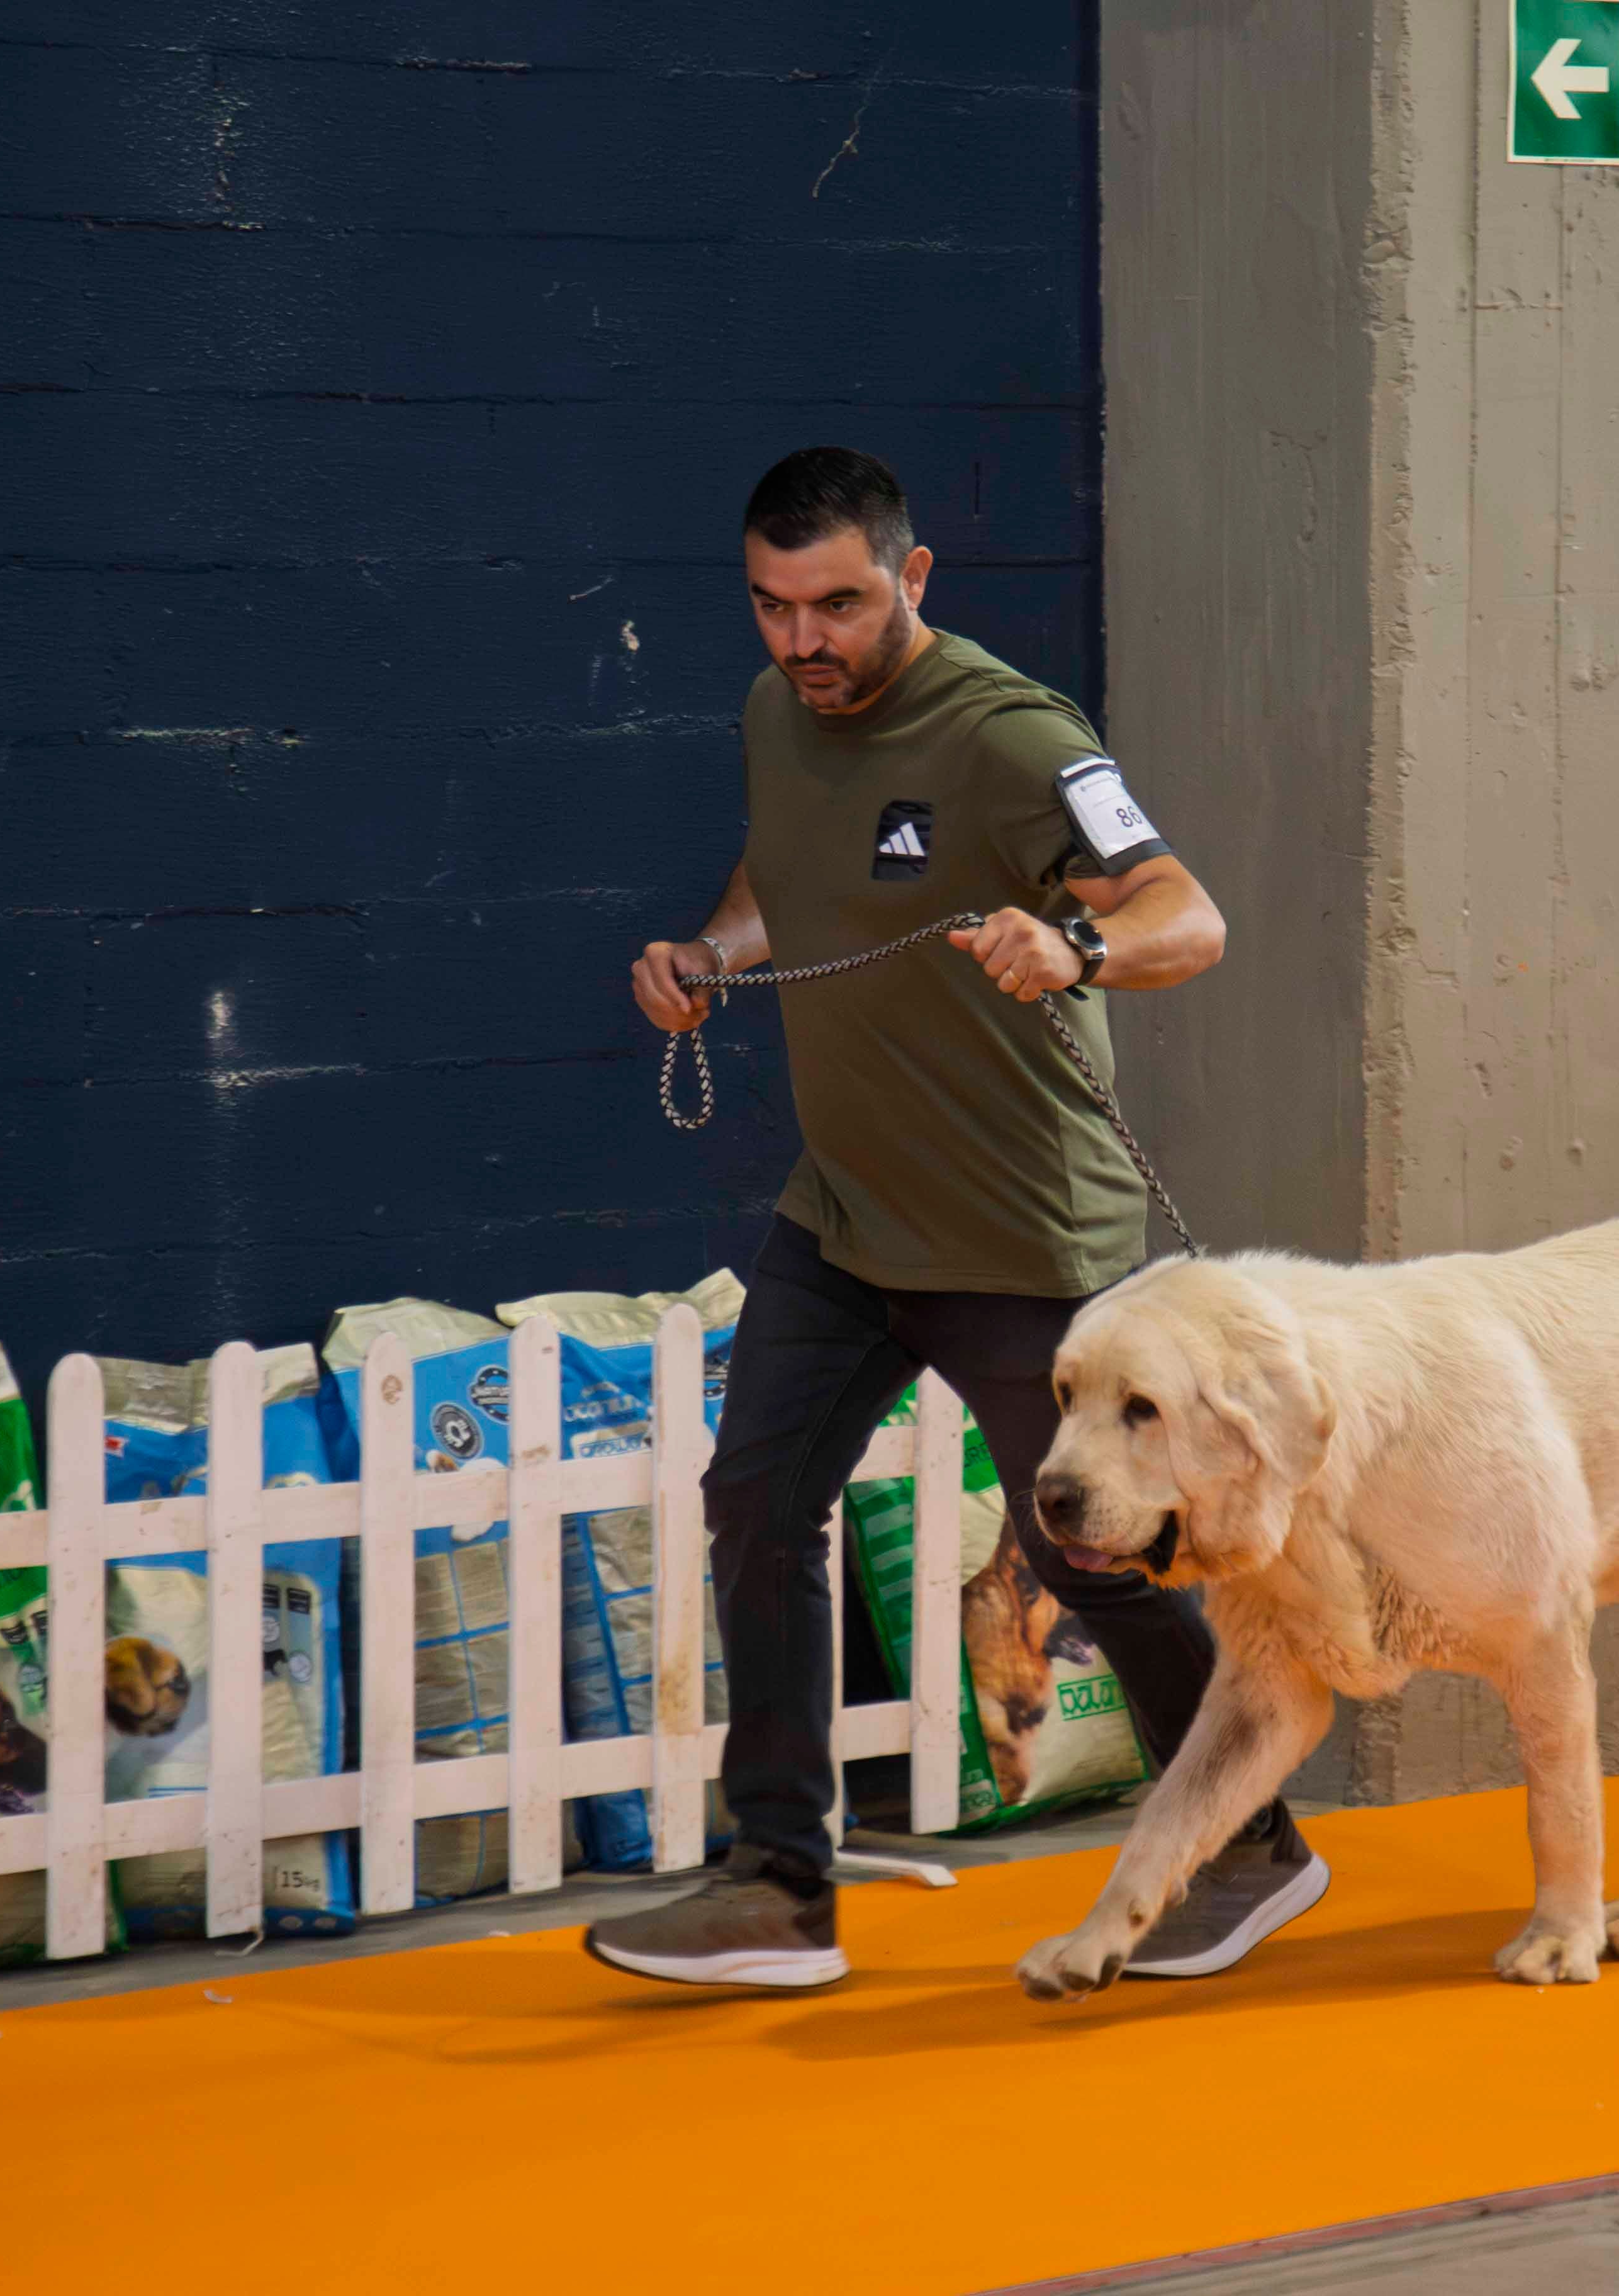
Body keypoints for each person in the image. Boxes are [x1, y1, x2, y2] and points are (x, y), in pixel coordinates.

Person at [581, 446, 1327, 1989]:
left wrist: (1077, 951)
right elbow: (786, 869)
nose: (806, 642)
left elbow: (1187, 915)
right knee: (755, 1506)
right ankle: (778, 1887)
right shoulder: (779, 711)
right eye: (774, 607)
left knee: (1090, 1561)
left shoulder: (1012, 736)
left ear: (914, 578)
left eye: (840, 604)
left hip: (1020, 1237)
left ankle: (1249, 1847)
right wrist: (712, 954)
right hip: (846, 1220)